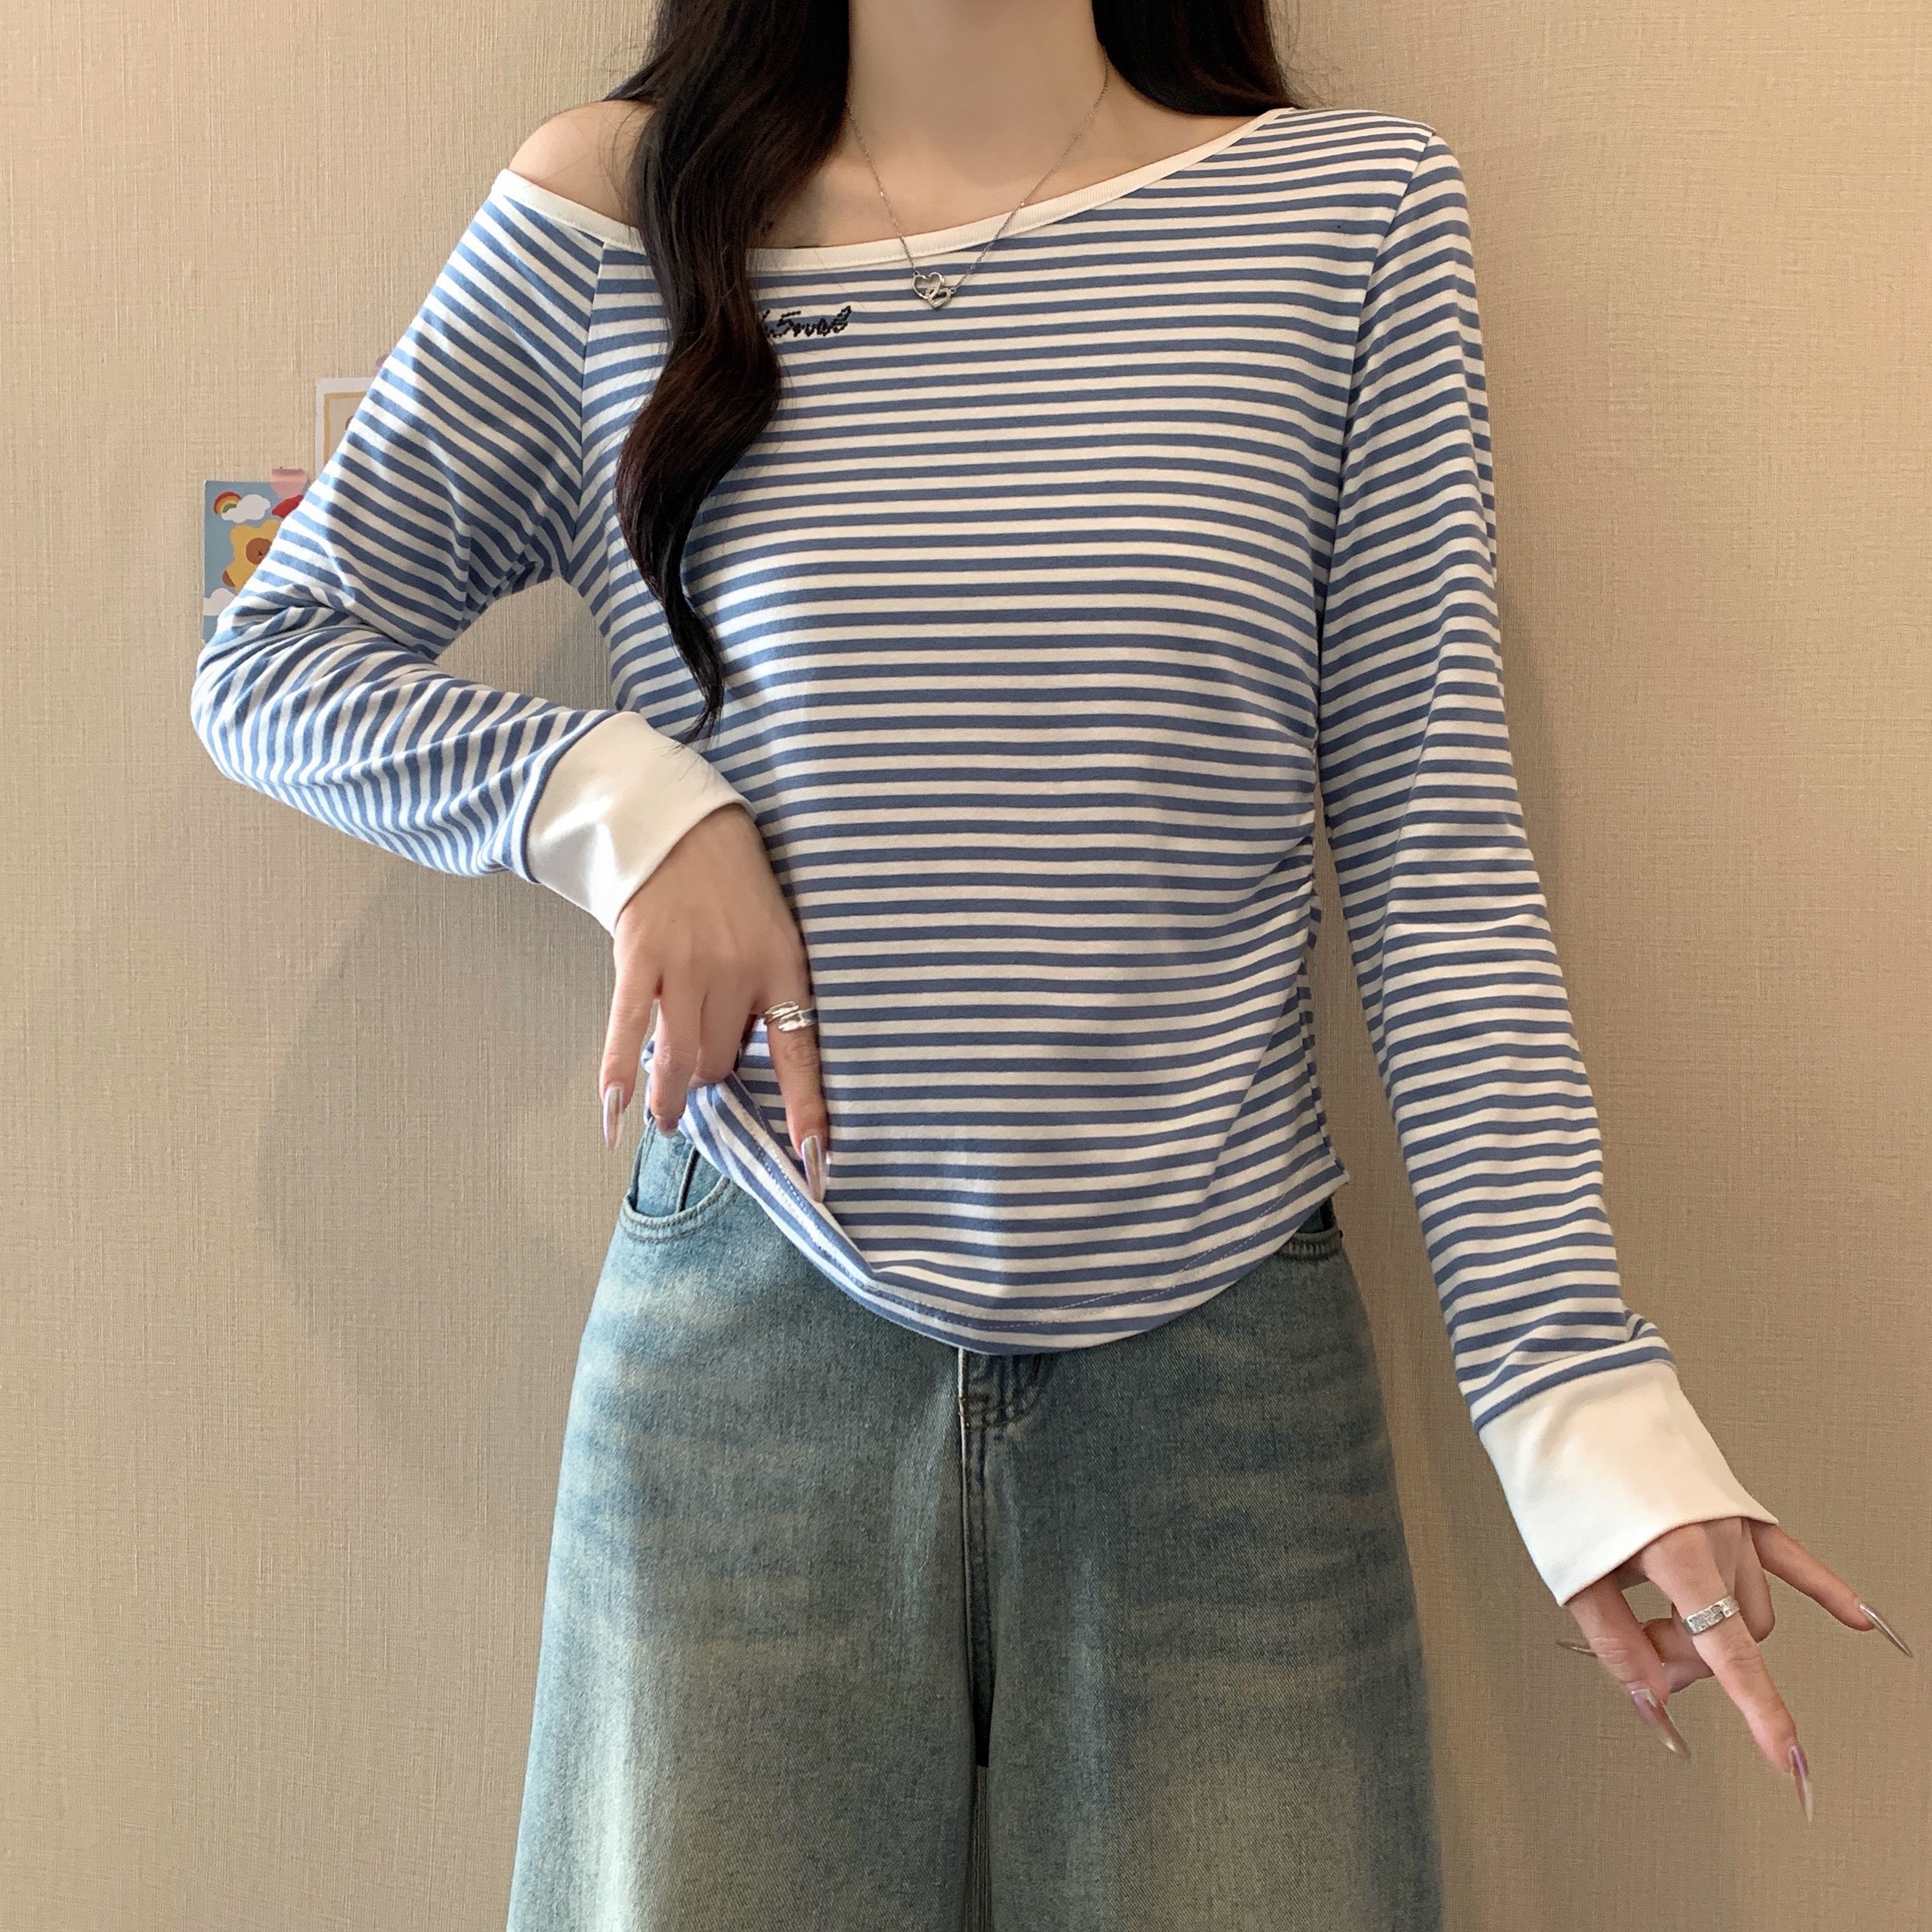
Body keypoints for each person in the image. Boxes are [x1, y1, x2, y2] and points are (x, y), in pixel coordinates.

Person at [189, 1, 1912, 1925]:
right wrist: (627, 809)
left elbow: (1432, 850)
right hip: (752, 1337)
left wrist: (1575, 1397)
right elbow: (277, 657)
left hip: (1224, 1381)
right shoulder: (621, 208)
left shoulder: (1344, 221)